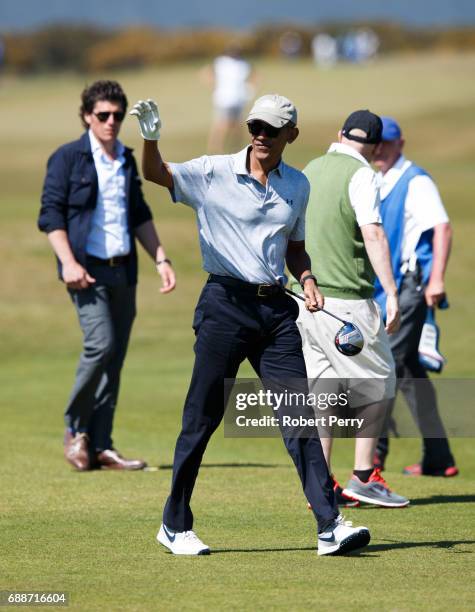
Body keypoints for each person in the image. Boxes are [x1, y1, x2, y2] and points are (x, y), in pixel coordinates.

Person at [130, 94, 371, 556]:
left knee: (298, 415)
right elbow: (156, 173)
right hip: (224, 305)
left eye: (272, 129)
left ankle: (328, 525)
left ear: (290, 136)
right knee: (202, 418)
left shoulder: (297, 185)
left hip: (276, 311)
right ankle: (174, 524)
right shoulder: (213, 171)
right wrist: (151, 139)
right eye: (255, 126)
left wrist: (308, 278)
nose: (261, 135)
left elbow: (294, 246)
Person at [38, 80, 176, 472]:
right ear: (87, 117)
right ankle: (74, 427)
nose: (111, 121)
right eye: (103, 115)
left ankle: (101, 444)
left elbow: (139, 214)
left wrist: (161, 259)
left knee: (114, 358)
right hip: (85, 271)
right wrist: (67, 262)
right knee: (100, 345)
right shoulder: (67, 159)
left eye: (117, 115)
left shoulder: (126, 160)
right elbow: (51, 215)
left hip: (124, 271)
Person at [293, 110, 409, 508]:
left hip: (303, 297)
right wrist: (391, 292)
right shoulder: (362, 175)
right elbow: (373, 232)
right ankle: (363, 477)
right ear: (376, 148)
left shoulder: (311, 167)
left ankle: (321, 484)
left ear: (339, 134)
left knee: (322, 388)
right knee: (379, 380)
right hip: (346, 301)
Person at [373, 117, 458, 477]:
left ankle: (371, 460)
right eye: (376, 143)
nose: (380, 149)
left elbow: (442, 228)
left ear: (400, 143)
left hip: (411, 285)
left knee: (383, 365)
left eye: (387, 142)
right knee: (408, 371)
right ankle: (439, 457)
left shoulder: (416, 181)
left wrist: (436, 277)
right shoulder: (377, 179)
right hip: (387, 289)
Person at [202, 44, 254, 153]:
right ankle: (215, 149)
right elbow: (206, 72)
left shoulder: (243, 64)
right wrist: (212, 85)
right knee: (222, 124)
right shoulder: (220, 62)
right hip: (223, 99)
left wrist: (250, 90)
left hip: (239, 99)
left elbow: (254, 76)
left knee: (238, 126)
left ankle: (236, 149)